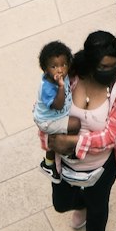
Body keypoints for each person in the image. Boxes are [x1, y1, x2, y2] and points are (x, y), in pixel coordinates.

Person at [47, 30, 116, 231]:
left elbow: (114, 135)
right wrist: (53, 141)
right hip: (64, 162)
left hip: (101, 165)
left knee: (99, 207)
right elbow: (47, 113)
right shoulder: (70, 77)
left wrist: (74, 142)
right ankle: (81, 204)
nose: (109, 71)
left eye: (113, 65)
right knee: (61, 204)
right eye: (103, 66)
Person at [33, 39, 74, 179]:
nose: (60, 69)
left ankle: (48, 164)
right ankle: (68, 151)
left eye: (63, 65)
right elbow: (59, 105)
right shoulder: (48, 87)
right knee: (75, 124)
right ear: (45, 69)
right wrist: (61, 86)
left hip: (54, 117)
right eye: (54, 67)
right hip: (48, 121)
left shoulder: (63, 73)